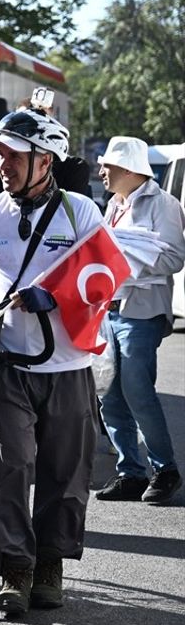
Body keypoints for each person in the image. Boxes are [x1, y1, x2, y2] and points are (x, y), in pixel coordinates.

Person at [0, 109, 104, 615]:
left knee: (64, 472)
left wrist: (55, 296)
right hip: (9, 364)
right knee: (11, 463)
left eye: (13, 155)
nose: (3, 164)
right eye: (0, 154)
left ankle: (49, 565)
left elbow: (104, 279)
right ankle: (15, 568)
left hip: (67, 365)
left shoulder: (82, 211)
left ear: (45, 160)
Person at [93, 136, 185, 504]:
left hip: (141, 311)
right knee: (109, 395)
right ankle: (130, 472)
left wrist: (126, 267)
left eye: (108, 167)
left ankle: (166, 470)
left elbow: (174, 259)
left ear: (129, 170)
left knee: (136, 389)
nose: (101, 171)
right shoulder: (113, 204)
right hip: (109, 311)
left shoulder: (164, 204)